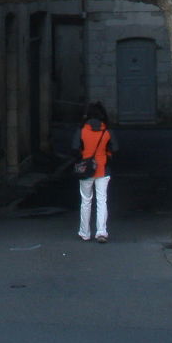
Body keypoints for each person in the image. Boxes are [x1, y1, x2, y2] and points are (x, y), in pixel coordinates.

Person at [74, 101, 118, 242]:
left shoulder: (81, 130)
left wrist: (83, 156)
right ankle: (101, 232)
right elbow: (115, 148)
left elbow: (74, 148)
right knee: (102, 201)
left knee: (86, 201)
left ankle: (85, 232)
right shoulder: (107, 131)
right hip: (103, 169)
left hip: (85, 169)